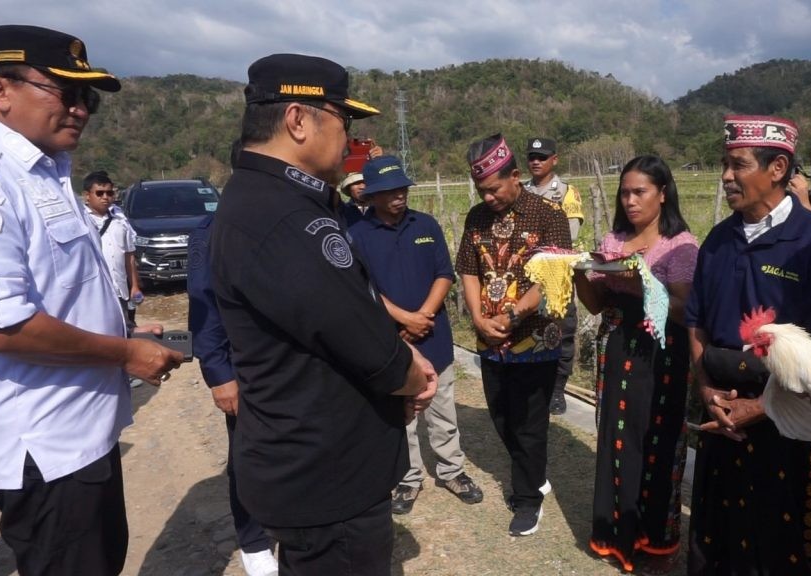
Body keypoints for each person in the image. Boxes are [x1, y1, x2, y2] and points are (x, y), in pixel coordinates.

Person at [208, 53, 437, 576]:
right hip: (326, 477)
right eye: (345, 120)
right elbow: (360, 338)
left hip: (314, 464)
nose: (351, 139)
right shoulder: (283, 214)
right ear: (298, 120)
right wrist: (411, 375)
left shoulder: (267, 199)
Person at [0, 25, 183, 575]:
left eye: (87, 98)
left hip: (78, 436)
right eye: (65, 93)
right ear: (0, 91)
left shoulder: (44, 174)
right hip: (46, 447)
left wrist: (125, 337)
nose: (80, 109)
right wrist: (122, 355)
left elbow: (64, 293)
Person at [685, 115, 811, 575]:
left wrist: (760, 407)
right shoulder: (719, 240)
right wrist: (707, 392)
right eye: (725, 164)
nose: (726, 176)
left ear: (778, 168)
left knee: (775, 548)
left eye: (737, 165)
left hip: (787, 422)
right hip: (720, 417)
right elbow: (697, 323)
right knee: (714, 539)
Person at [573, 156, 698, 574]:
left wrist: (641, 282)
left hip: (661, 356)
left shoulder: (679, 245)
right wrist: (576, 273)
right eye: (624, 192)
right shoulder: (613, 241)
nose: (630, 201)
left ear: (663, 194)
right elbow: (597, 303)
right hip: (618, 349)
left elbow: (682, 310)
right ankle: (616, 536)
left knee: (657, 442)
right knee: (616, 438)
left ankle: (657, 543)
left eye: (639, 192)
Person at [349, 155, 484, 516]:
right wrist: (405, 319)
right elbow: (364, 290)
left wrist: (423, 315)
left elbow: (444, 273)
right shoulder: (358, 236)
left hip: (433, 336)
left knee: (442, 408)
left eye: (402, 189)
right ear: (371, 196)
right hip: (390, 340)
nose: (398, 196)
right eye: (389, 191)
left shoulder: (425, 224)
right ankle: (408, 479)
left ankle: (452, 470)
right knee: (401, 413)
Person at [455, 133, 571, 536]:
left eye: (493, 189)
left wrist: (514, 314)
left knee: (529, 424)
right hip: (490, 339)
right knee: (502, 416)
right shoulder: (476, 218)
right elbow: (469, 269)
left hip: (535, 339)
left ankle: (527, 499)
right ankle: (532, 473)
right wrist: (477, 317)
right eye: (480, 191)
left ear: (515, 176)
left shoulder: (548, 215)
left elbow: (555, 274)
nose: (487, 198)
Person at [187, 142, 278, 576]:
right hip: (244, 370)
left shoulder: (291, 219)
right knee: (247, 455)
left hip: (289, 367)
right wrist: (219, 375)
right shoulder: (212, 229)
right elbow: (204, 309)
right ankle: (253, 539)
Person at [523, 136, 585, 415]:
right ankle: (534, 385)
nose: (536, 162)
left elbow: (567, 238)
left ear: (554, 160)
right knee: (528, 328)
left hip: (557, 277)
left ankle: (557, 390)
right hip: (524, 277)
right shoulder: (520, 191)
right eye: (532, 157)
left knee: (563, 333)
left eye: (542, 157)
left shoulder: (567, 193)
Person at [82, 170, 142, 327]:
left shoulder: (120, 222)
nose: (105, 197)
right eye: (99, 193)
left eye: (109, 193)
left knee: (124, 331)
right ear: (87, 195)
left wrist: (134, 286)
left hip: (120, 290)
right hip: (94, 293)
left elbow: (129, 256)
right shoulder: (80, 222)